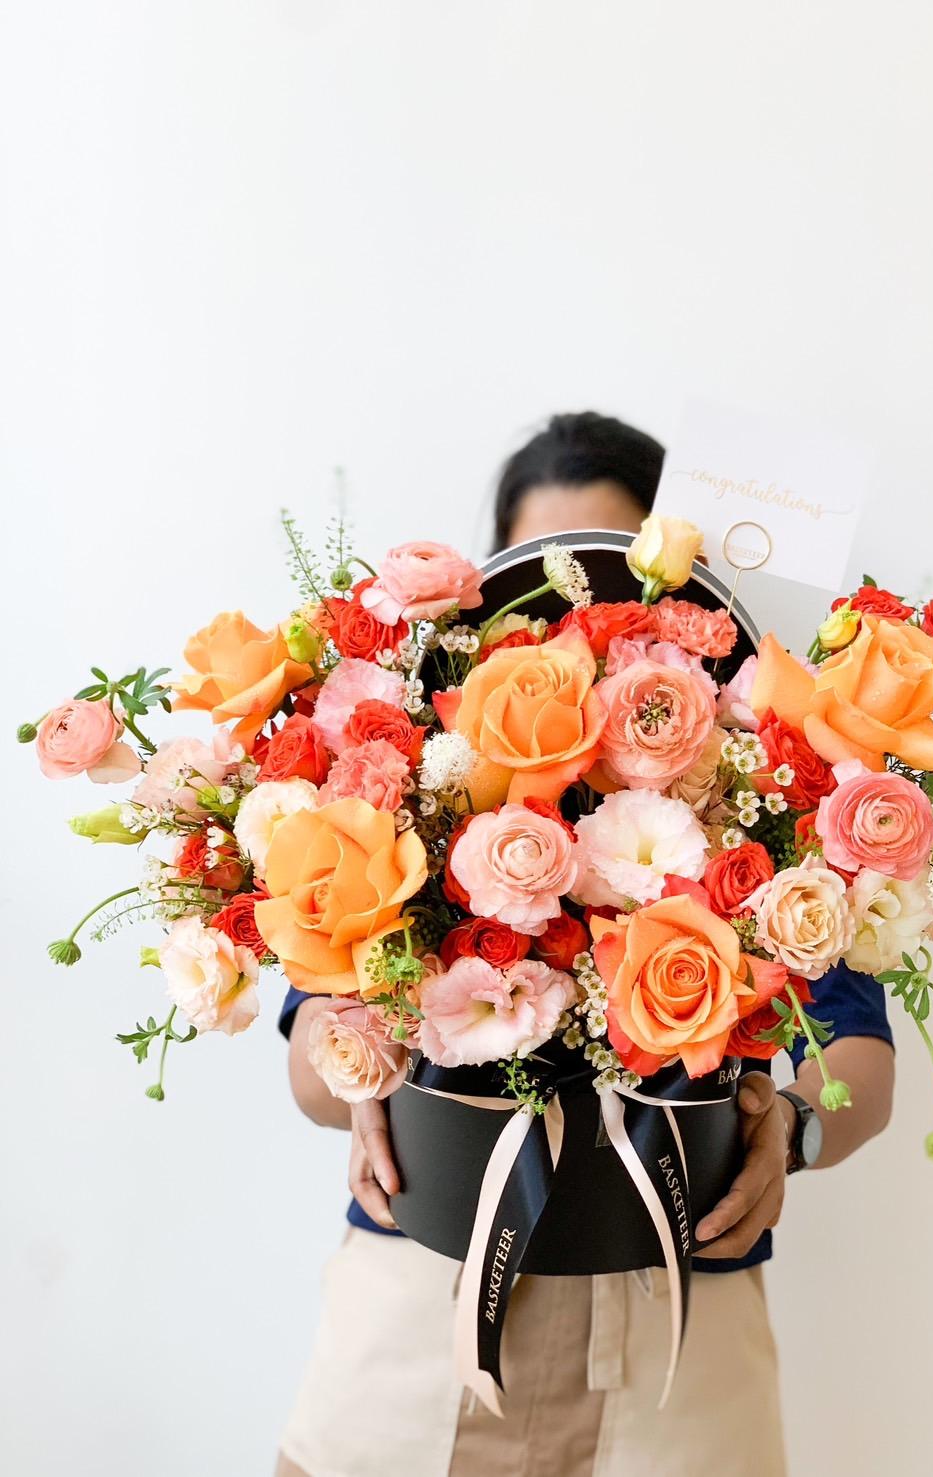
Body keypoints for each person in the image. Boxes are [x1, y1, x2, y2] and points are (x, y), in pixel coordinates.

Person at [275, 412, 896, 1477]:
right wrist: (360, 1061)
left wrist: (786, 1130)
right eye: (545, 591)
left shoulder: (777, 821)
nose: (582, 626)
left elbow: (862, 1064)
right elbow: (312, 1075)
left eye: (610, 587)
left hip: (676, 1341)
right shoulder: (403, 801)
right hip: (417, 1324)